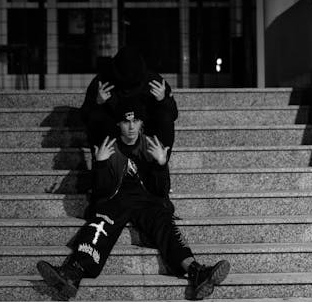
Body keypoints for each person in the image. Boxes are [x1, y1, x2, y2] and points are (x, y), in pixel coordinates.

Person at [37, 100, 230, 301]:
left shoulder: (150, 145)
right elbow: (101, 192)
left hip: (147, 202)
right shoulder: (109, 147)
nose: (131, 127)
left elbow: (161, 190)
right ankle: (72, 273)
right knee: (99, 225)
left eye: (135, 121)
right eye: (126, 121)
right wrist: (101, 165)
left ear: (141, 123)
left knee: (165, 224)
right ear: (118, 124)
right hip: (115, 200)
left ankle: (196, 271)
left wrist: (161, 165)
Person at [80, 46, 178, 156]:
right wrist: (97, 102)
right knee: (96, 117)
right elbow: (84, 116)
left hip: (144, 128)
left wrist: (162, 100)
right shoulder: (102, 81)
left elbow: (173, 114)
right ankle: (102, 163)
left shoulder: (154, 81)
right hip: (116, 129)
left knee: (165, 117)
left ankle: (160, 161)